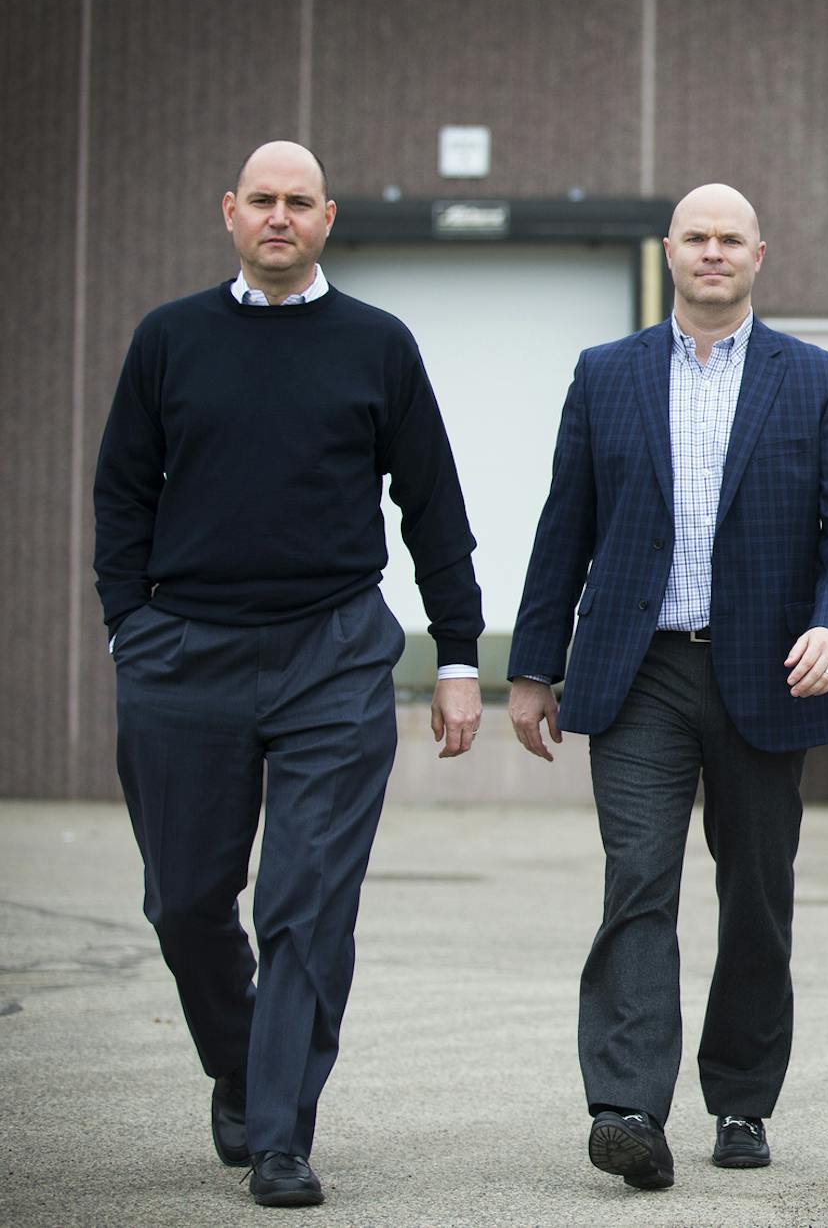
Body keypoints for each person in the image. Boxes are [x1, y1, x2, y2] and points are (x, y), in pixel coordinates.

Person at [92, 140, 486, 1209]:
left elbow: (435, 509)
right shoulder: (169, 339)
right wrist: (130, 624)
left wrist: (457, 655)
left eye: (296, 202)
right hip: (184, 652)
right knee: (183, 899)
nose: (278, 216)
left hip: (334, 652)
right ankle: (239, 1061)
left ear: (327, 217)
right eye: (260, 200)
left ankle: (279, 1132)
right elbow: (121, 491)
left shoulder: (377, 343)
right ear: (230, 212)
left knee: (306, 901)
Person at [506, 182, 828, 1192]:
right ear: (668, 251)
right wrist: (533, 666)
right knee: (639, 879)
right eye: (696, 237)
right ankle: (629, 1102)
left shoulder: (818, 379)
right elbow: (565, 526)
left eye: (730, 239)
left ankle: (742, 1097)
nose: (712, 252)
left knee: (756, 892)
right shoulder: (607, 374)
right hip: (638, 671)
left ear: (760, 253)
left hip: (770, 670)